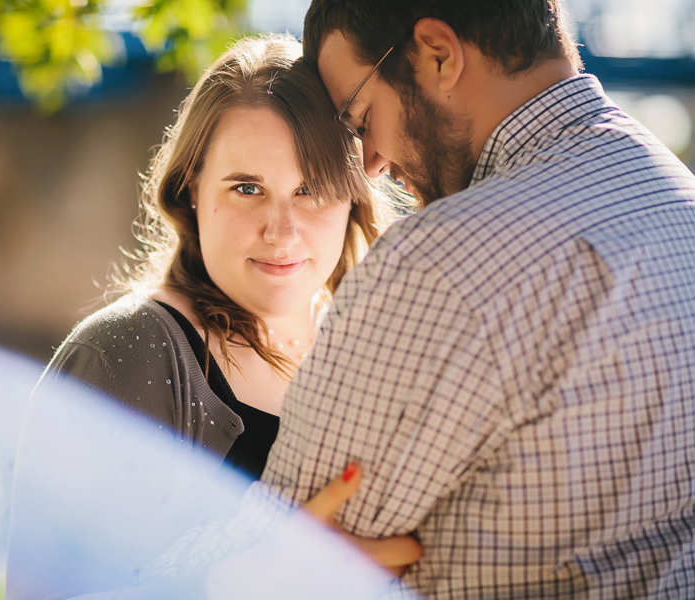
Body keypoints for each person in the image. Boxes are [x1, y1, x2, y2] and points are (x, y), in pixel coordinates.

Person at [138, 1, 695, 598]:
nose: (370, 164)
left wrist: (218, 575)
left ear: (437, 54)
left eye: (359, 116)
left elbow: (274, 548)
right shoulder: (677, 202)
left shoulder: (446, 261)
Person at [33, 34, 396, 482]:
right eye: (247, 189)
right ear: (192, 189)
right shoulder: (123, 353)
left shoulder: (374, 345)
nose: (282, 231)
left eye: (311, 190)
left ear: (352, 199)